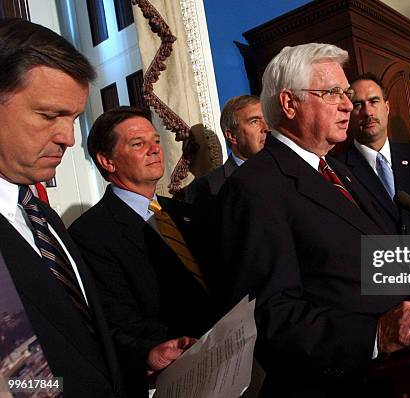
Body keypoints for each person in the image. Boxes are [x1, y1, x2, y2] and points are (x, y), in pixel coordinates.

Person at [217, 43, 410, 397]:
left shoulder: (337, 171)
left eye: (344, 93)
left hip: (399, 373)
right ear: (289, 103)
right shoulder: (254, 188)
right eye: (333, 93)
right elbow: (271, 317)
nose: (348, 104)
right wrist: (375, 334)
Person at [0, 18, 191, 397]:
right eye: (50, 115)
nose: (68, 138)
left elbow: (81, 335)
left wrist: (142, 358)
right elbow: (17, 383)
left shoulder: (42, 217)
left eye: (72, 119)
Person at [68, 106, 216, 396]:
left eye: (157, 141)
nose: (154, 150)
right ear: (107, 161)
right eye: (138, 144)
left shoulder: (185, 211)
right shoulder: (91, 233)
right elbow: (116, 319)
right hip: (177, 372)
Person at [334, 73, 410, 234]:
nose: (368, 112)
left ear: (387, 108)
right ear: (348, 113)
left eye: (374, 101)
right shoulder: (338, 171)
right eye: (358, 104)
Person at [183, 95, 268, 203]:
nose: (266, 128)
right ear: (232, 136)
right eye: (254, 121)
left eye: (266, 120)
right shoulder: (207, 188)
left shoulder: (285, 169)